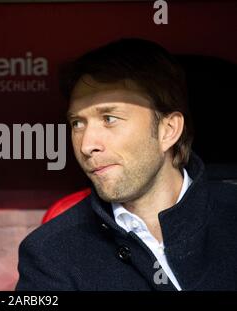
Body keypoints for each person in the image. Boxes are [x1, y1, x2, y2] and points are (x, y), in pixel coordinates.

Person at [16, 38, 237, 290]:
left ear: (168, 129)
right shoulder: (50, 253)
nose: (86, 145)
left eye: (109, 118)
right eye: (77, 123)